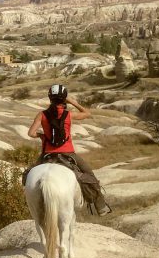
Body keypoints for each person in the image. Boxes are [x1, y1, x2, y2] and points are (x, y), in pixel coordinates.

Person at [26, 83, 112, 216]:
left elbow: (31, 133)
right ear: (64, 98)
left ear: (50, 98)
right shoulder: (68, 115)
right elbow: (87, 113)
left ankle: (29, 203)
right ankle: (101, 207)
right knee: (91, 177)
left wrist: (42, 136)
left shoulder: (42, 115)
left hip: (47, 154)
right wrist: (72, 101)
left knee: (28, 176)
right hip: (68, 153)